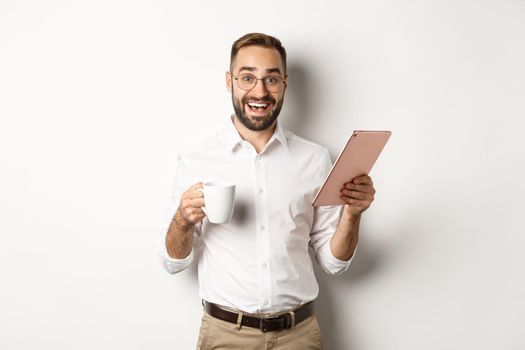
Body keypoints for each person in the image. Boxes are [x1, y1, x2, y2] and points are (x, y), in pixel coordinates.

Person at [159, 33, 376, 350]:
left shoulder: (315, 160)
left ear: (285, 83)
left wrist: (352, 215)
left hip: (298, 336)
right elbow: (173, 263)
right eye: (247, 77)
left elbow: (333, 262)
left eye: (271, 79)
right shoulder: (197, 161)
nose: (259, 91)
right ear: (229, 80)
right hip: (225, 336)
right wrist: (182, 219)